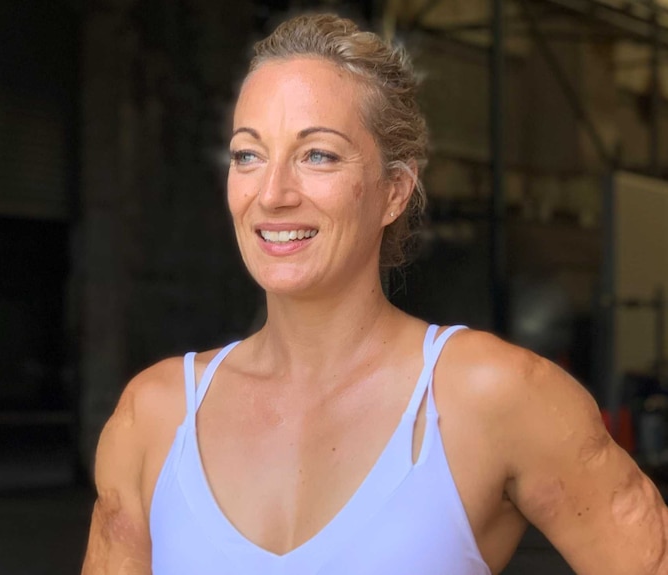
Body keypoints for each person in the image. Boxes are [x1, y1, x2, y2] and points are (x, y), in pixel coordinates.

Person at [82, 13, 668, 575]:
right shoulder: (155, 417)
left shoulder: (496, 397)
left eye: (318, 155)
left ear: (393, 191)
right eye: (249, 155)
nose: (273, 193)